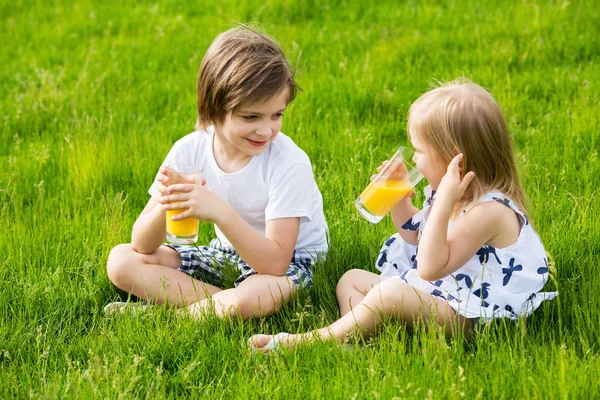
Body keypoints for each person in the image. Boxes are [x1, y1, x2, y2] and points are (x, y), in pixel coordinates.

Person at [250, 79, 557, 351]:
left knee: (391, 292)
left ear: (454, 161)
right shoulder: (451, 193)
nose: (414, 160)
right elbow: (415, 236)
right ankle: (358, 338)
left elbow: (430, 266)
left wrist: (443, 201)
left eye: (419, 152)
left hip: (470, 317)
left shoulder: (488, 211)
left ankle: (311, 342)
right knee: (352, 279)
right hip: (443, 298)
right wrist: (398, 199)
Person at [105, 25, 328, 319]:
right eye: (251, 117)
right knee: (121, 261)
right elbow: (142, 244)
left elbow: (275, 264)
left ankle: (174, 315)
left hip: (290, 264)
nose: (266, 130)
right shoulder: (189, 150)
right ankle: (223, 305)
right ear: (213, 109)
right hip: (227, 254)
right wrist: (167, 202)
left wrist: (220, 212)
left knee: (262, 292)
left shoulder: (289, 163)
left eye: (277, 115)